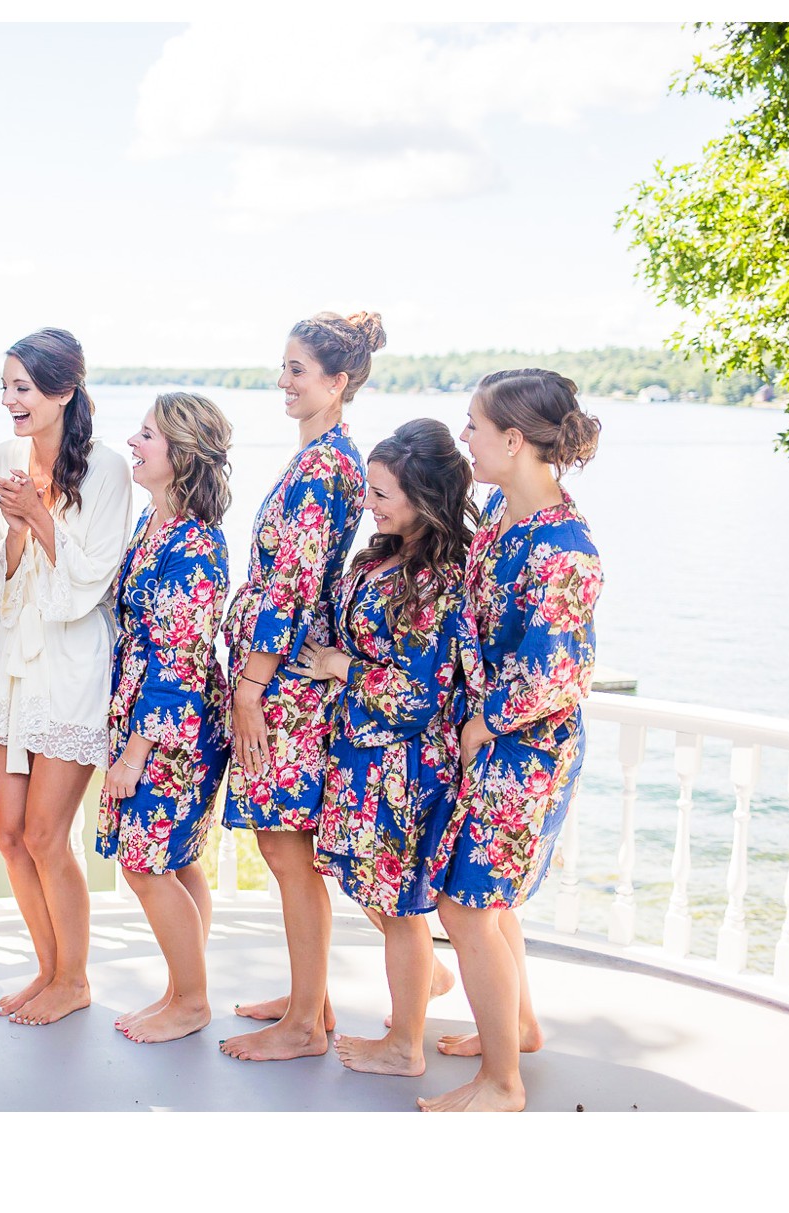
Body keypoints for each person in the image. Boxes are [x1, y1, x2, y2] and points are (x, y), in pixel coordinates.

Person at [420, 368, 603, 1112]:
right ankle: (519, 1027)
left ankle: (502, 1082)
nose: (464, 436)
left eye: (472, 424)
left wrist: (478, 722)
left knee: (465, 906)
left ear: (514, 439)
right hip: (495, 740)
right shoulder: (500, 511)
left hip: (525, 750)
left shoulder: (564, 548)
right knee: (487, 904)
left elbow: (558, 672)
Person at [287, 418, 474, 1078]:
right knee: (371, 891)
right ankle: (430, 977)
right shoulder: (379, 556)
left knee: (396, 906)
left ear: (425, 497)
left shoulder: (434, 581)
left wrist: (341, 666)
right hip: (362, 754)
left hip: (402, 766)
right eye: (369, 487)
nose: (370, 501)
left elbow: (415, 694)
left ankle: (405, 1047)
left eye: (383, 492)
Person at [219, 311, 383, 1063]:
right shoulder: (325, 457)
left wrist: (251, 684)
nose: (282, 381)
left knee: (288, 851)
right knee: (285, 847)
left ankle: (306, 1025)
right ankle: (307, 996)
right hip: (283, 671)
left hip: (285, 680)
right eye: (282, 366)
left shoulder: (323, 469)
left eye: (297, 370)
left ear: (337, 382)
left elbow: (288, 585)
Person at [0, 327, 132, 1026]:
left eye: (25, 387)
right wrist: (14, 525)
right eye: (6, 385)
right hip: (14, 660)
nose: (12, 400)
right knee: (6, 833)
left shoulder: (105, 470)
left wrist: (39, 514)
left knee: (46, 835)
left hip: (71, 665)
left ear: (65, 389)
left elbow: (88, 586)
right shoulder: (5, 457)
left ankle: (75, 977)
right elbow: (1, 587)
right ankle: (48, 968)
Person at [99, 392, 232, 1044]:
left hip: (174, 726)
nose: (133, 441)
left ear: (179, 454)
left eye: (146, 434)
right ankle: (183, 987)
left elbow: (178, 661)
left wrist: (132, 756)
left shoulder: (195, 545)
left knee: (146, 863)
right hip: (148, 716)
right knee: (175, 861)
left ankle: (194, 1000)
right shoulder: (153, 524)